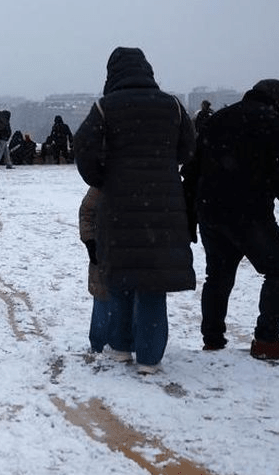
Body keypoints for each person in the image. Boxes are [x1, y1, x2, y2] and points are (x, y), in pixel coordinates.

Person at [73, 47, 196, 374]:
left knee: (121, 276)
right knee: (154, 282)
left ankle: (121, 346)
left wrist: (103, 177)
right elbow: (188, 148)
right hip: (164, 205)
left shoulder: (105, 107)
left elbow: (82, 148)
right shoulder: (172, 105)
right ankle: (150, 357)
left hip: (119, 205)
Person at [183, 78, 279, 361]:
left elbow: (192, 169)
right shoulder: (273, 121)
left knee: (217, 276)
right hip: (249, 213)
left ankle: (213, 341)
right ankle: (266, 339)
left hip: (211, 211)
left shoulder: (218, 118)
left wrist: (192, 216)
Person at [79, 187, 110, 352]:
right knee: (102, 294)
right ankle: (99, 343)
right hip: (104, 248)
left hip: (133, 249)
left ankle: (126, 342)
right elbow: (87, 211)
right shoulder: (103, 179)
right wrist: (90, 241)